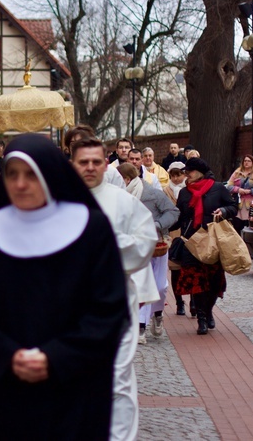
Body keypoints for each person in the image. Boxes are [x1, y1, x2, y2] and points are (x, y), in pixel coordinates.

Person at [0, 135, 128, 439]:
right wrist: (6, 354)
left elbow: (109, 308)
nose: (20, 184)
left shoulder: (91, 229)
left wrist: (55, 357)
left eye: (30, 174)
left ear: (50, 175)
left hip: (69, 386)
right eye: (12, 174)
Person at [70, 138, 158, 441]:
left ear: (106, 164)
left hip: (115, 302)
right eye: (84, 162)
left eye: (97, 161)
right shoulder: (57, 201)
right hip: (70, 306)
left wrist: (104, 244)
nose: (91, 167)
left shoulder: (123, 201)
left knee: (118, 377)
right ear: (73, 164)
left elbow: (145, 241)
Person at [173, 157, 238, 335]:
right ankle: (201, 318)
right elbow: (179, 217)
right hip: (191, 241)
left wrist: (223, 211)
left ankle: (208, 310)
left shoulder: (217, 188)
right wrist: (162, 226)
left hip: (213, 241)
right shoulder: (184, 192)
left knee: (214, 283)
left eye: (190, 172)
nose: (187, 175)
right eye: (185, 172)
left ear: (200, 172)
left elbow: (233, 206)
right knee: (196, 282)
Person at [117, 163, 179, 343]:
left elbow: (173, 211)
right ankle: (140, 327)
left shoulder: (151, 193)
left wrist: (158, 225)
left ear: (127, 179)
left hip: (157, 245)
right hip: (135, 247)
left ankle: (158, 313)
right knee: (139, 285)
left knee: (159, 286)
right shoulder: (119, 198)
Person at [165, 162, 191, 316]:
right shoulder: (165, 190)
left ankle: (194, 300)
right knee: (175, 269)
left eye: (178, 175)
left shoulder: (189, 190)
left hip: (189, 233)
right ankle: (179, 302)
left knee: (191, 267)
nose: (175, 178)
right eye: (173, 175)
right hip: (174, 234)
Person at [226, 154, 253, 231]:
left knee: (249, 226)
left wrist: (251, 191)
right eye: (245, 161)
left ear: (252, 163)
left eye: (249, 161)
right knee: (237, 226)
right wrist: (238, 190)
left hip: (251, 205)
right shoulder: (237, 173)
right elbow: (229, 186)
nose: (246, 162)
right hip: (238, 204)